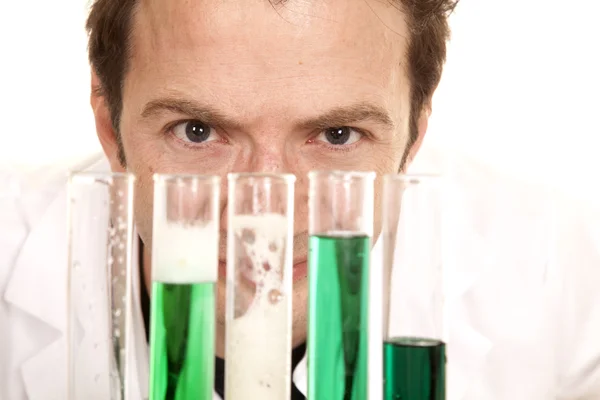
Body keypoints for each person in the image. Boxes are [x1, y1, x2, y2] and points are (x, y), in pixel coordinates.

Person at [1, 0, 599, 399]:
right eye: (198, 132)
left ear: (415, 134)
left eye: (337, 136)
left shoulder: (565, 271)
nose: (265, 219)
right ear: (110, 127)